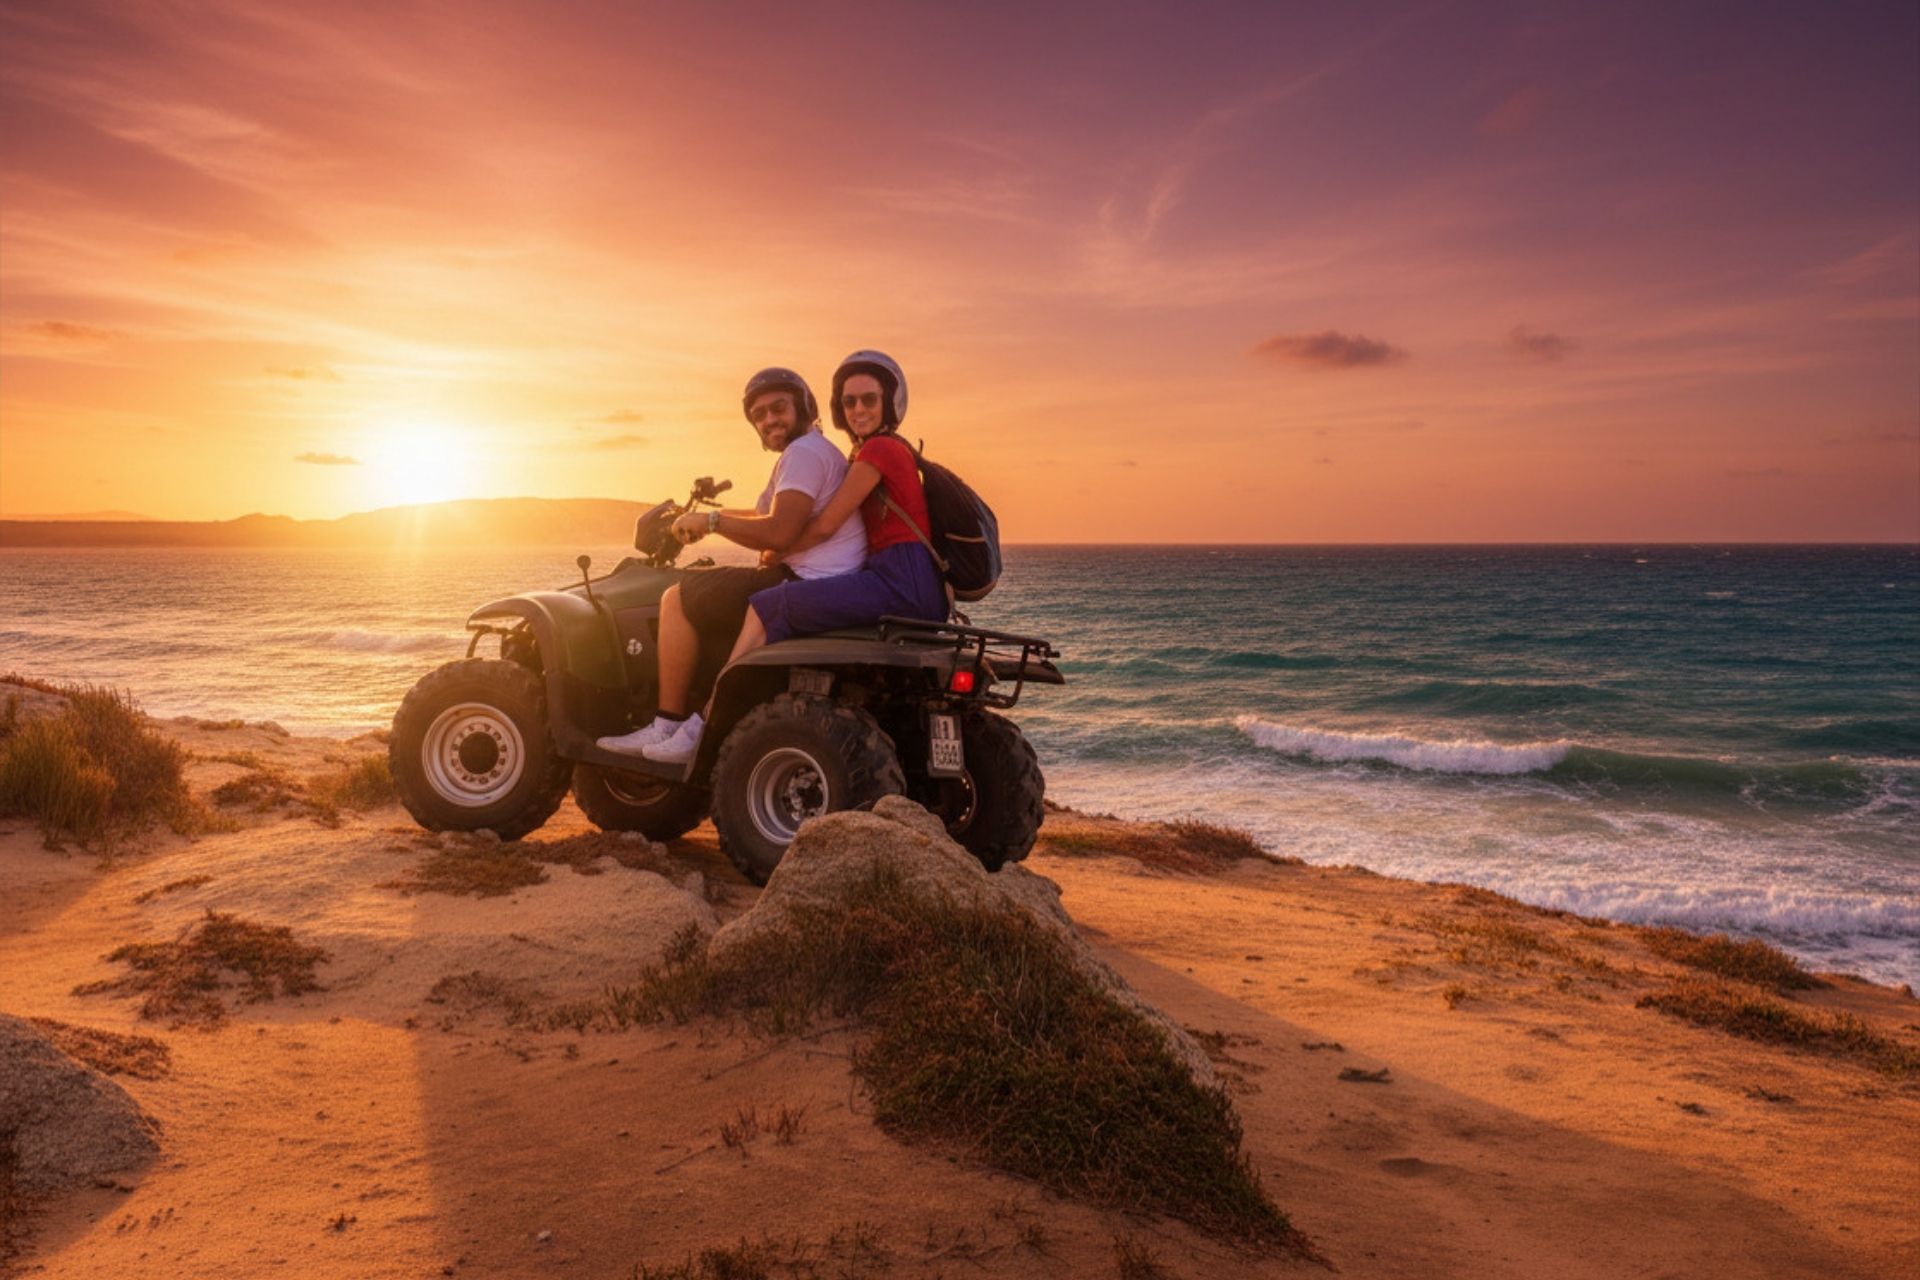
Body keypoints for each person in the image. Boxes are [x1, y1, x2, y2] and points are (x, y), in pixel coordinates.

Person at [596, 366, 867, 760]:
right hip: (824, 576)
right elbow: (765, 513)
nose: (769, 419)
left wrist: (712, 521)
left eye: (778, 408)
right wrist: (706, 521)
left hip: (805, 578)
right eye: (759, 415)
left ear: (803, 407)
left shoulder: (803, 454)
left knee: (678, 597)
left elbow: (778, 533)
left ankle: (667, 724)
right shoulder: (813, 450)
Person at [717, 349, 949, 691]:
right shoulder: (879, 450)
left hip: (899, 581)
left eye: (869, 400)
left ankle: (716, 706)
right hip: (908, 581)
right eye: (849, 402)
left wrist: (777, 550)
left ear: (889, 402)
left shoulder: (878, 451)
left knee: (773, 604)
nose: (858, 410)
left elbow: (826, 525)